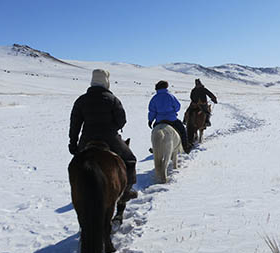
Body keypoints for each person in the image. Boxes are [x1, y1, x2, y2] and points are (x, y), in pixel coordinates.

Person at [69, 69, 138, 200]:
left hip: (87, 138)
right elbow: (121, 120)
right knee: (130, 159)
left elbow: (75, 124)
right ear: (106, 81)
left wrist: (73, 143)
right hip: (110, 138)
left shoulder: (81, 100)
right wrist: (113, 128)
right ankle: (127, 192)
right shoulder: (112, 99)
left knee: (75, 165)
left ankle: (77, 191)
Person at [148, 80, 191, 153]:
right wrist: (172, 111)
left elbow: (152, 111)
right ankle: (186, 147)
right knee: (182, 130)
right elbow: (177, 107)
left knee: (154, 132)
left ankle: (154, 147)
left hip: (159, 120)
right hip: (172, 119)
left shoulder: (154, 98)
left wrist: (150, 120)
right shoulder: (170, 96)